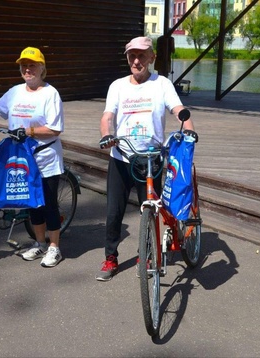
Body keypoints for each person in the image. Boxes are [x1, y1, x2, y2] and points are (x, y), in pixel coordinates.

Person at [96, 36, 195, 281]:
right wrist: (107, 135)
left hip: (151, 160)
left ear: (152, 57)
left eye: (142, 55)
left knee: (150, 211)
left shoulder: (161, 84)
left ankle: (147, 254)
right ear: (127, 58)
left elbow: (178, 110)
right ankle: (111, 257)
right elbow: (107, 117)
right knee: (113, 213)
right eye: (132, 56)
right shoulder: (117, 86)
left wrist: (189, 128)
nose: (137, 60)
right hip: (122, 156)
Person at [0, 47, 65, 268]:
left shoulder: (50, 94)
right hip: (21, 157)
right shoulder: (15, 92)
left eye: (32, 65)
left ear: (42, 68)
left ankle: (54, 247)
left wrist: (29, 131)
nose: (27, 69)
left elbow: (55, 129)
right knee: (31, 203)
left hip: (44, 157)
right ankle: (39, 243)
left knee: (48, 204)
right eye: (23, 65)